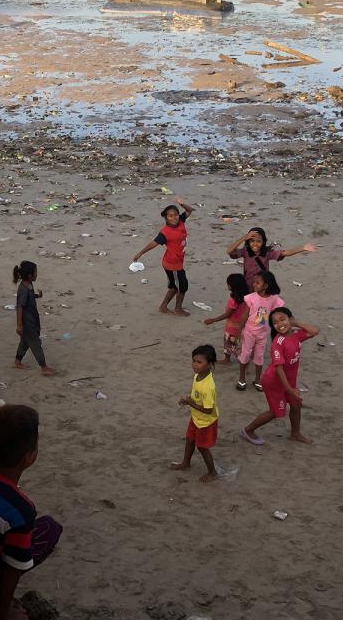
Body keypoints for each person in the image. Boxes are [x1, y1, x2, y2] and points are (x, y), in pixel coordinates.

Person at [0, 405, 63, 620]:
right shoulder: (21, 509)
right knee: (49, 530)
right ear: (29, 456)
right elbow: (13, 568)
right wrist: (3, 610)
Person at [241, 307, 318, 445]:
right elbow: (279, 369)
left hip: (288, 381)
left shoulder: (295, 335)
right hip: (274, 383)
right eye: (275, 323)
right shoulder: (278, 343)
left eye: (283, 319)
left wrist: (297, 323)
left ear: (290, 319)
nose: (280, 324)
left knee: (296, 405)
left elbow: (314, 331)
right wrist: (289, 389)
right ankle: (248, 430)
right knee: (275, 412)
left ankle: (295, 433)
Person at [132, 201, 196, 316]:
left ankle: (163, 306)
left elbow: (190, 210)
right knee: (182, 286)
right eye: (170, 216)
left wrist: (182, 204)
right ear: (166, 218)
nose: (174, 218)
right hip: (172, 264)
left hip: (176, 261)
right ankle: (178, 308)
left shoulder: (181, 220)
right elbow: (153, 243)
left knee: (174, 286)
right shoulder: (165, 232)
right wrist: (140, 253)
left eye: (175, 215)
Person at [169, 345, 220, 482]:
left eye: (199, 362)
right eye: (194, 361)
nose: (195, 365)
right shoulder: (198, 376)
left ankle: (212, 472)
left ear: (209, 364)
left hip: (206, 422)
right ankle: (186, 463)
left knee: (202, 447)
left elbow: (208, 409)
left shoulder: (208, 386)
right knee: (190, 440)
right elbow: (196, 396)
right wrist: (188, 399)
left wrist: (190, 403)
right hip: (196, 418)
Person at [235, 271, 285, 392]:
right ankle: (242, 378)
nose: (254, 285)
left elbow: (278, 314)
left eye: (257, 283)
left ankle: (258, 379)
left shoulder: (274, 299)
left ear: (266, 285)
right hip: (249, 332)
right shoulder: (251, 297)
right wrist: (239, 330)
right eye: (254, 282)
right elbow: (245, 315)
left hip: (263, 334)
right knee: (245, 354)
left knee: (259, 356)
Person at [224, 227, 316, 286]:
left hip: (263, 285)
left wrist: (303, 248)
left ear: (263, 242)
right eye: (252, 241)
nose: (255, 244)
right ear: (248, 242)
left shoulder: (267, 253)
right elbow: (229, 251)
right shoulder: (245, 252)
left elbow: (285, 253)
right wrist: (244, 237)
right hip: (248, 284)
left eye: (259, 241)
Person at [12, 261, 55, 376]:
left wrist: (37, 295)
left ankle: (17, 361)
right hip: (27, 323)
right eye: (35, 272)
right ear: (30, 275)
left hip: (32, 320)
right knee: (36, 343)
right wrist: (19, 325)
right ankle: (44, 367)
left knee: (25, 342)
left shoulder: (28, 285)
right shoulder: (24, 289)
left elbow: (28, 298)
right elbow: (19, 307)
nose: (37, 274)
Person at [203, 273, 250, 364]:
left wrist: (213, 320)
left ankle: (228, 359)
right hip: (243, 325)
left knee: (230, 344)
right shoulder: (247, 298)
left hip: (232, 327)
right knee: (239, 343)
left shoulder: (234, 300)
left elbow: (227, 314)